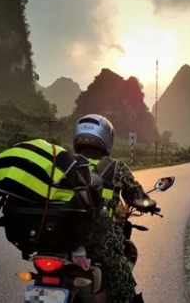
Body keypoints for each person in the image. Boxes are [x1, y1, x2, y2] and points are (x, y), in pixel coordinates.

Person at [73, 114, 153, 303]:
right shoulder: (116, 168)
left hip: (65, 240)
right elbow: (137, 198)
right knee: (125, 288)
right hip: (101, 244)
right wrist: (151, 205)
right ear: (106, 139)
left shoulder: (65, 164)